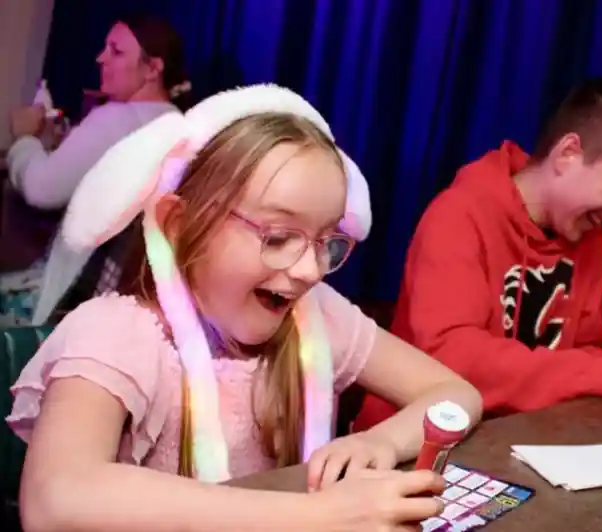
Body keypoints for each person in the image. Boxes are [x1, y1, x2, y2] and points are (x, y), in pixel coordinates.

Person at [6, 84, 481, 531]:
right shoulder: (118, 333)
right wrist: (314, 517)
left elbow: (455, 395)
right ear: (177, 223)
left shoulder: (314, 318)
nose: (310, 270)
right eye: (277, 237)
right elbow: (56, 498)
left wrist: (378, 441)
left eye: (326, 242)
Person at [354, 77, 602, 431]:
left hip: (515, 442)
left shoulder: (588, 236)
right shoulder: (459, 215)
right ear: (567, 154)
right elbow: (453, 359)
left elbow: (578, 361)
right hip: (412, 442)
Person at [1, 14, 192, 327]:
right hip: (113, 307)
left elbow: (40, 189)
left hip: (62, 302)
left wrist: (24, 138)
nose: (100, 58)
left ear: (152, 69)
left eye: (116, 51)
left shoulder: (119, 118)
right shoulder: (176, 126)